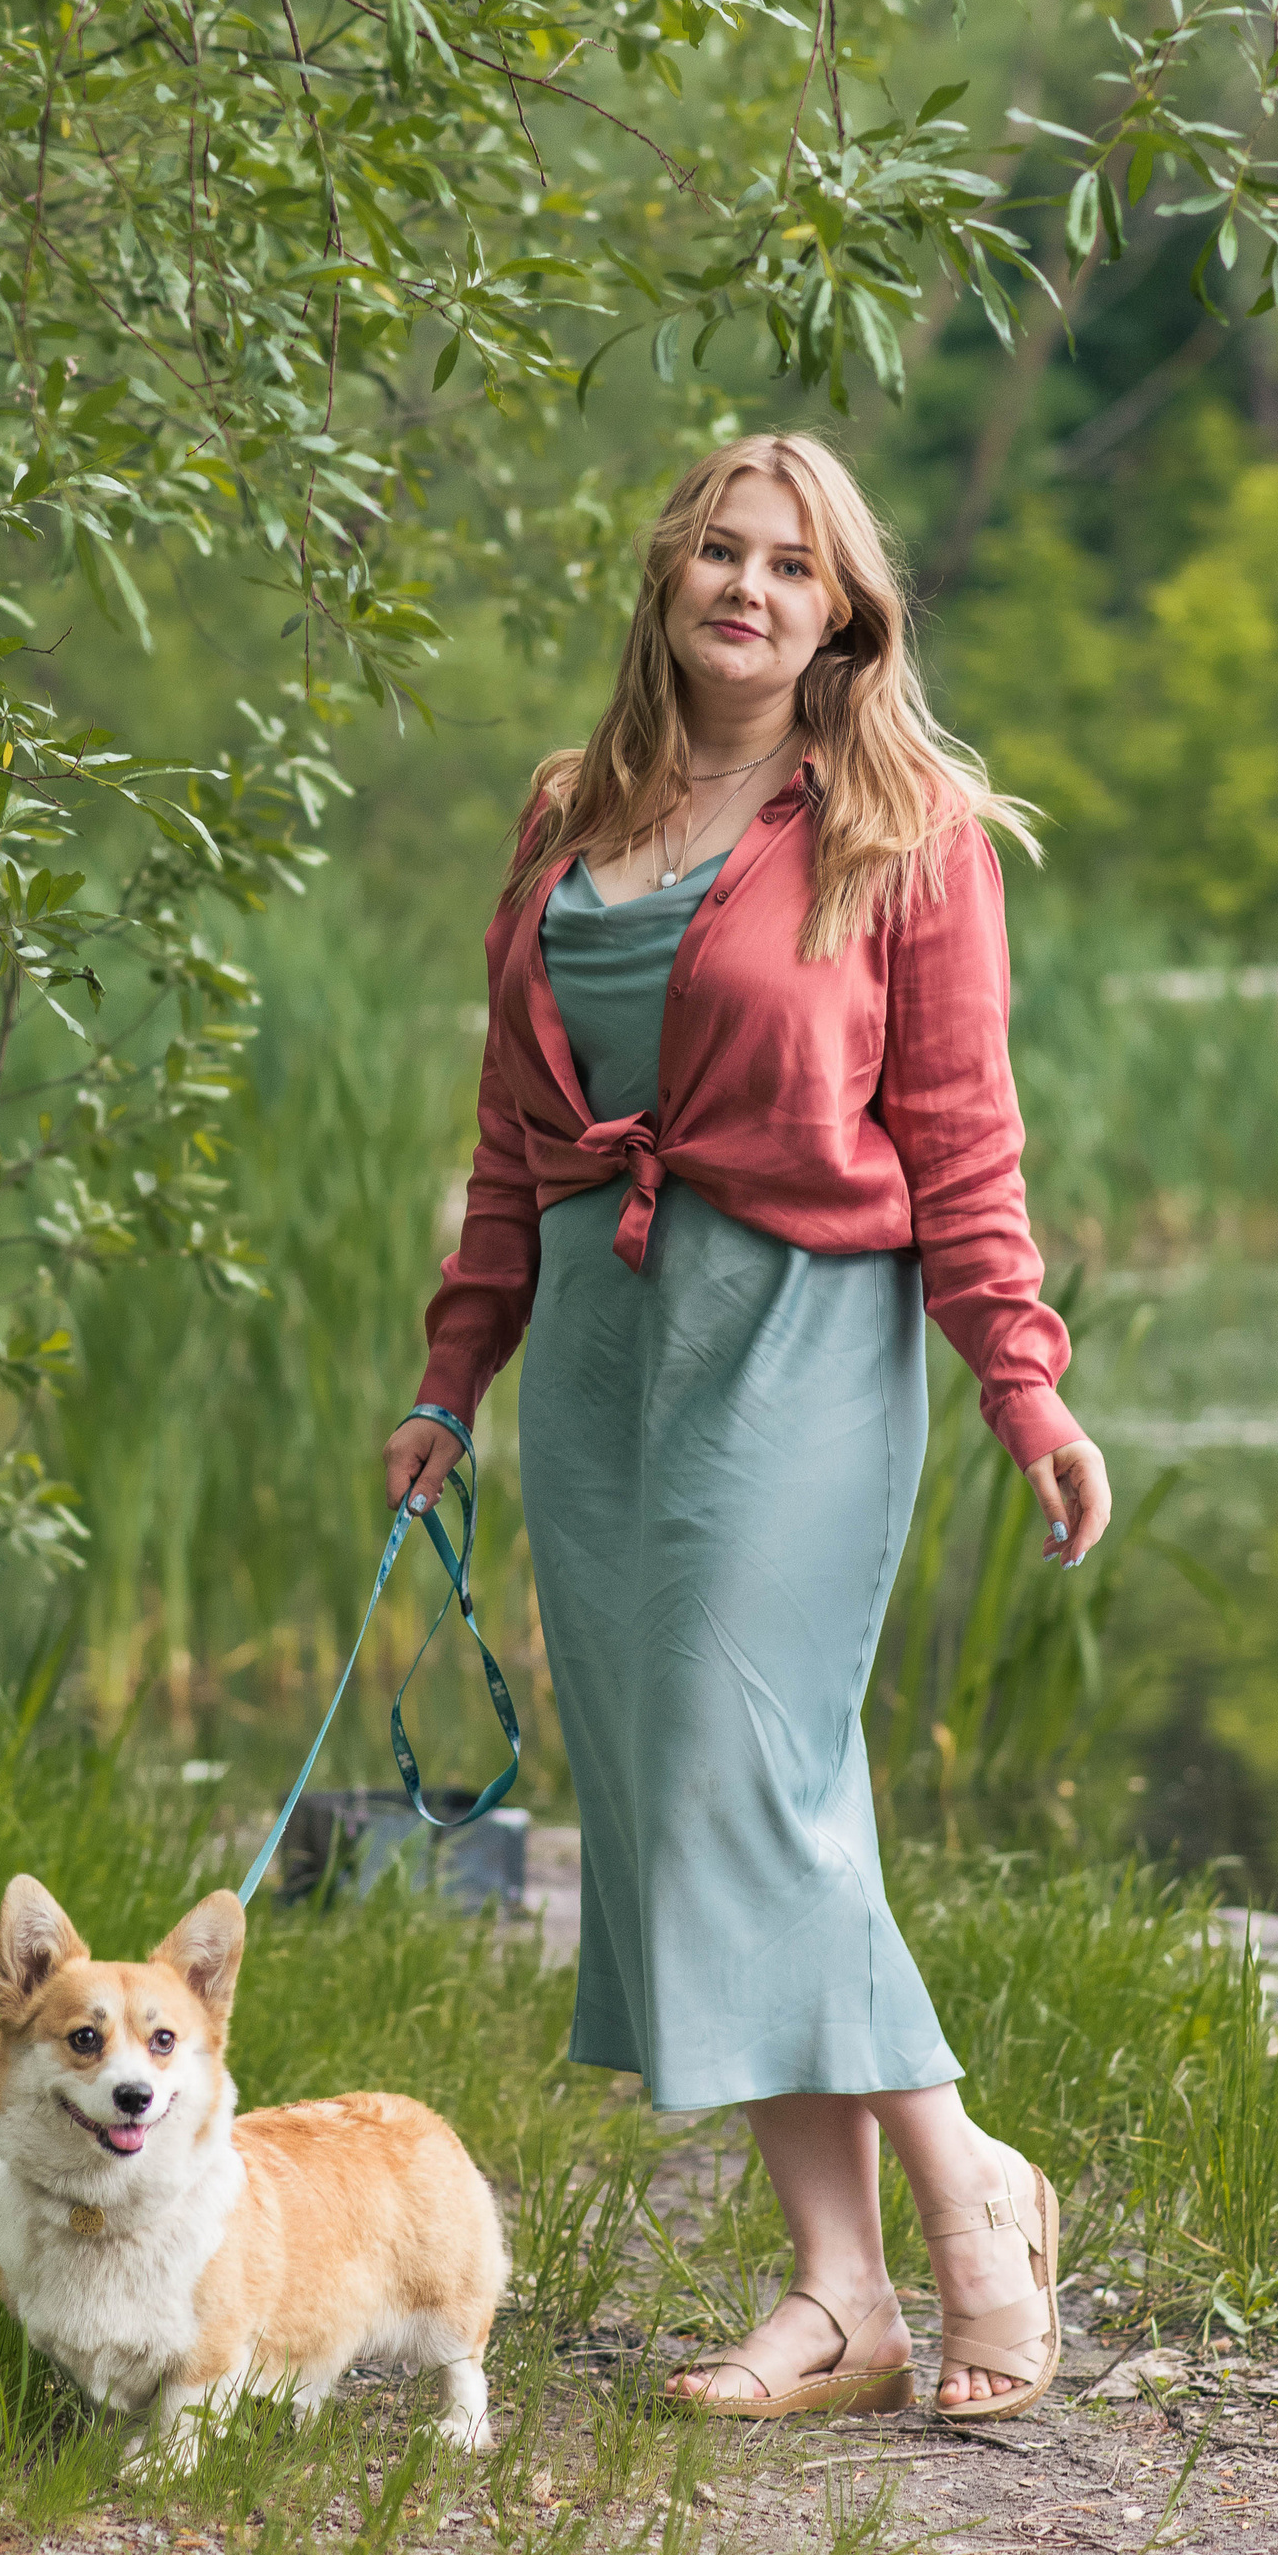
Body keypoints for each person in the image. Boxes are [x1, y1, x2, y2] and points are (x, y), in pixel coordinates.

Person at [385, 433, 1113, 2421]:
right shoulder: (564, 815)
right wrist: (453, 1375)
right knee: (690, 1798)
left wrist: (1019, 1376)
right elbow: (506, 1141)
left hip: (801, 1327)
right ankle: (835, 2295)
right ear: (665, 580)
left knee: (743, 1760)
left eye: (788, 565)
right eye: (716, 549)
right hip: (601, 1352)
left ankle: (970, 2198)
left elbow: (960, 1136)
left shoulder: (899, 822)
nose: (745, 585)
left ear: (840, 611)